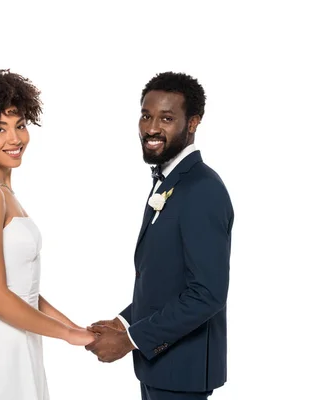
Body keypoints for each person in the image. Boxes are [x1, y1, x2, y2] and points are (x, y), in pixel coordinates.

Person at [0, 68, 95, 400]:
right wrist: (66, 334)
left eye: (20, 125)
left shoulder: (2, 189)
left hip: (20, 340)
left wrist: (76, 328)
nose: (15, 139)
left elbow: (23, 289)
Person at [86, 72, 234, 400]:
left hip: (183, 373)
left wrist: (131, 340)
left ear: (193, 122)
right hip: (160, 369)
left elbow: (206, 294)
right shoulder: (170, 182)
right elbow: (167, 280)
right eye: (146, 116)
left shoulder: (201, 189)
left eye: (166, 118)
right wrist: (125, 322)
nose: (152, 128)